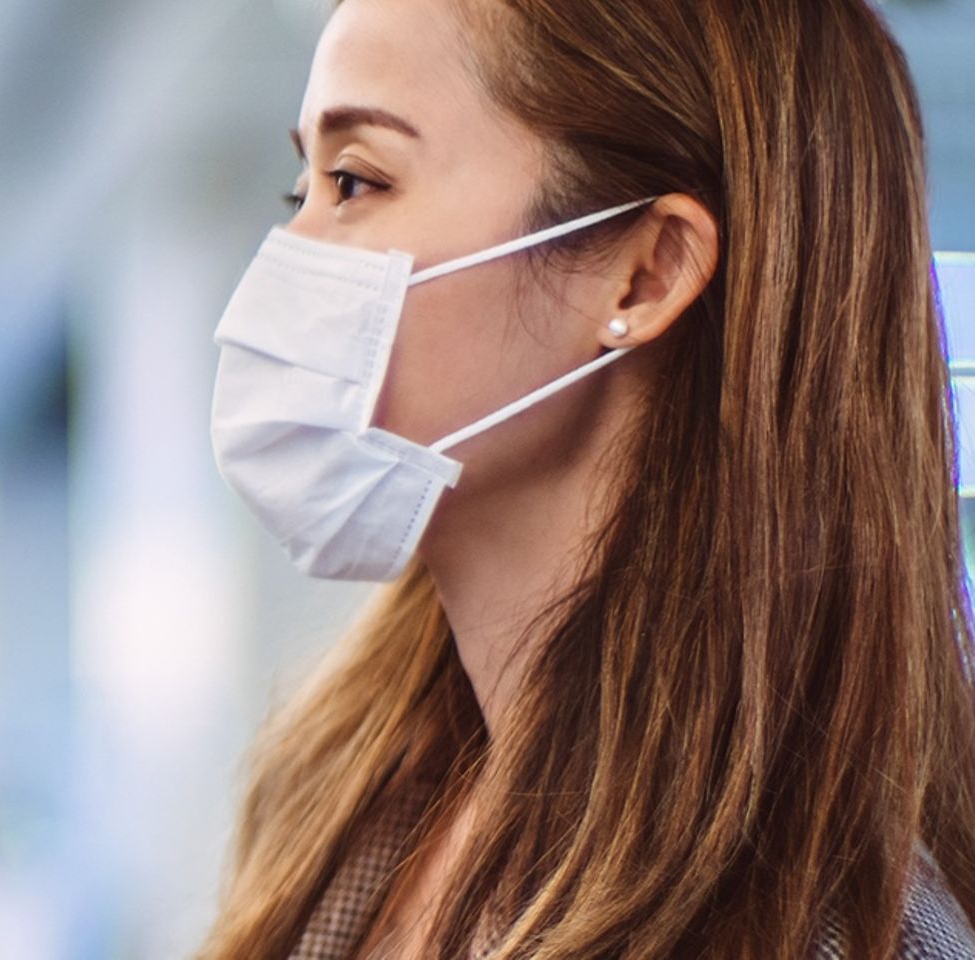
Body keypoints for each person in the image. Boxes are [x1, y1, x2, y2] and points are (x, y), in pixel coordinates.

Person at [198, 0, 975, 957]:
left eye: (356, 182)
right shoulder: (341, 798)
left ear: (645, 276)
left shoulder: (835, 934)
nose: (289, 260)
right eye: (301, 191)